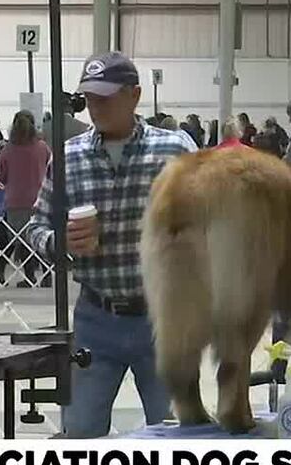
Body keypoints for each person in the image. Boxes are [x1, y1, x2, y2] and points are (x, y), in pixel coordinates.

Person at [24, 51, 197, 438]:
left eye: (105, 97)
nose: (95, 107)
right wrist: (60, 242)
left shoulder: (175, 152)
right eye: (89, 98)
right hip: (95, 320)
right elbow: (35, 228)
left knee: (178, 436)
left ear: (134, 96)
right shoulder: (67, 158)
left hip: (163, 319)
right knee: (80, 433)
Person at [0, 110, 51, 287]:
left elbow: (1, 177)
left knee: (23, 240)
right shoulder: (43, 147)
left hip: (16, 201)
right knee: (42, 237)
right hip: (40, 199)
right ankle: (47, 275)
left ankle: (29, 277)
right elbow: (52, 169)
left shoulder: (6, 150)